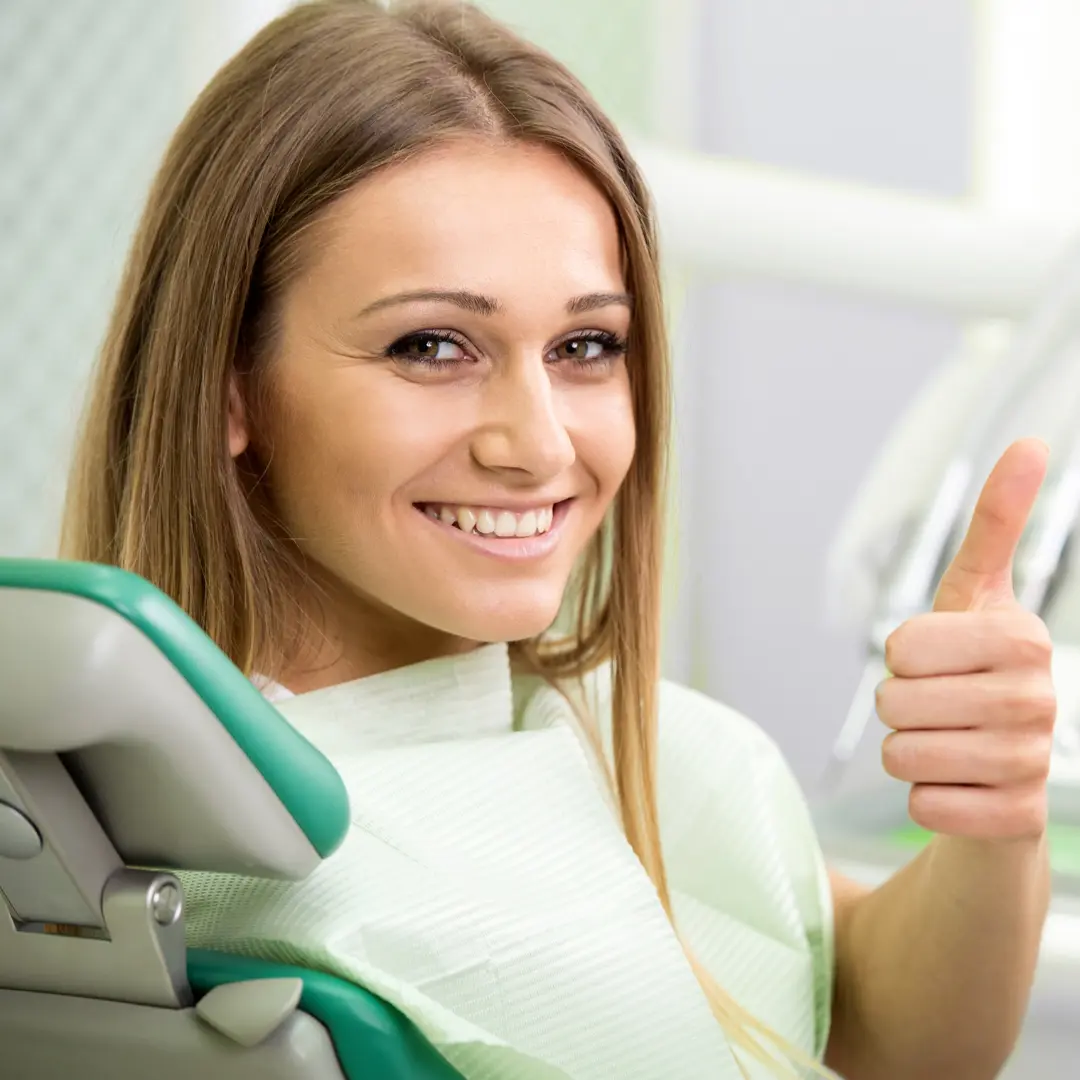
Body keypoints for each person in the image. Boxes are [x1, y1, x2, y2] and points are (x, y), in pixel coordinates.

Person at [60, 2, 1054, 1077]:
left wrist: (992, 829)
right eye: (432, 345)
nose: (537, 444)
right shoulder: (274, 869)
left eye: (587, 345)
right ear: (230, 389)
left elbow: (868, 1024)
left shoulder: (661, 757)